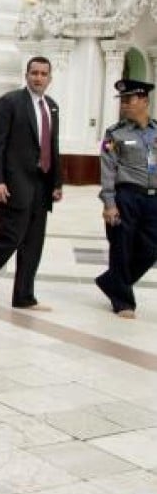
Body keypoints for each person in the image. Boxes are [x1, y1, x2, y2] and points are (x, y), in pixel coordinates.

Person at [0, 56, 62, 310]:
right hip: (14, 183)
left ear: (50, 78)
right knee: (10, 238)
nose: (38, 78)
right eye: (34, 73)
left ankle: (24, 296)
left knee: (33, 244)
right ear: (26, 75)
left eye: (43, 74)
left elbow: (53, 146)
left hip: (42, 186)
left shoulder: (51, 106)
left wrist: (57, 182)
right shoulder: (10, 102)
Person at [95, 78, 157, 319]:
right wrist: (109, 204)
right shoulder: (114, 133)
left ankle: (112, 281)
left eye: (129, 99)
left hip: (153, 199)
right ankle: (123, 302)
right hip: (126, 197)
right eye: (122, 100)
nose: (124, 105)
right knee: (121, 247)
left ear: (144, 100)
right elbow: (108, 169)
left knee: (151, 248)